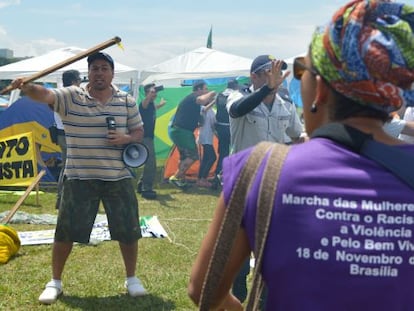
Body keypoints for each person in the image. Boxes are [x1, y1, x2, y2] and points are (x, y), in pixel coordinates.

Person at [188, 0, 414, 310]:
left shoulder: (257, 170)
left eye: (299, 71)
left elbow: (203, 288)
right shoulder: (239, 99)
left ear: (319, 89)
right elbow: (239, 109)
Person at [11, 52, 147, 304]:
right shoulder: (72, 96)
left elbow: (138, 131)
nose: (99, 73)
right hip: (79, 176)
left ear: (112, 73)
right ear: (89, 73)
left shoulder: (126, 101)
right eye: (95, 68)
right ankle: (55, 282)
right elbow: (45, 95)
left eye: (104, 68)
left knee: (128, 231)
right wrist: (27, 87)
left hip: (117, 177)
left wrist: (126, 139)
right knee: (65, 232)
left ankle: (132, 279)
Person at [226, 54, 304, 304]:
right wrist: (267, 91)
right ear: (254, 76)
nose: (275, 77)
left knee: (272, 246)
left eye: (278, 72)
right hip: (243, 183)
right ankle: (236, 298)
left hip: (273, 183)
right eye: (268, 72)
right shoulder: (237, 96)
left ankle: (265, 301)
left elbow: (297, 135)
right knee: (238, 247)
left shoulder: (285, 105)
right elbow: (238, 111)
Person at [169, 80, 216, 189]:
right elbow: (202, 99)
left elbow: (204, 109)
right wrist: (212, 93)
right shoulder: (194, 97)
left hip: (178, 131)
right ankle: (176, 177)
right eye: (205, 89)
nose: (207, 91)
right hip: (182, 131)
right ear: (198, 90)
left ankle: (180, 180)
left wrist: (213, 102)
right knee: (193, 155)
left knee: (184, 156)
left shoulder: (193, 101)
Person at [54, 69, 81, 209]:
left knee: (67, 167)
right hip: (68, 134)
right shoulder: (69, 96)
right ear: (73, 82)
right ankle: (62, 198)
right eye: (79, 80)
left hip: (62, 134)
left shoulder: (59, 95)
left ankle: (63, 197)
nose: (80, 83)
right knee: (68, 169)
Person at [137, 83, 166, 199]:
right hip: (144, 137)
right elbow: (144, 105)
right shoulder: (144, 103)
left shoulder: (151, 104)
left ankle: (141, 184)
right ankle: (146, 188)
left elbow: (153, 108)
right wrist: (149, 94)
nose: (154, 94)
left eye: (155, 92)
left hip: (149, 137)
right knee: (151, 163)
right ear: (147, 93)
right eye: (152, 92)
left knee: (149, 163)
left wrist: (160, 105)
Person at [213, 79, 238, 185]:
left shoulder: (219, 95)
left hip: (221, 128)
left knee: (223, 153)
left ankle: (217, 176)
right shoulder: (236, 96)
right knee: (236, 152)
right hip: (231, 127)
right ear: (235, 86)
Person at [196, 99, 217, 188]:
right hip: (205, 137)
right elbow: (204, 111)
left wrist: (217, 134)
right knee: (212, 157)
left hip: (208, 137)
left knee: (206, 158)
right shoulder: (202, 108)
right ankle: (203, 179)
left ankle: (200, 178)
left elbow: (213, 125)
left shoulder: (212, 111)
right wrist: (215, 101)